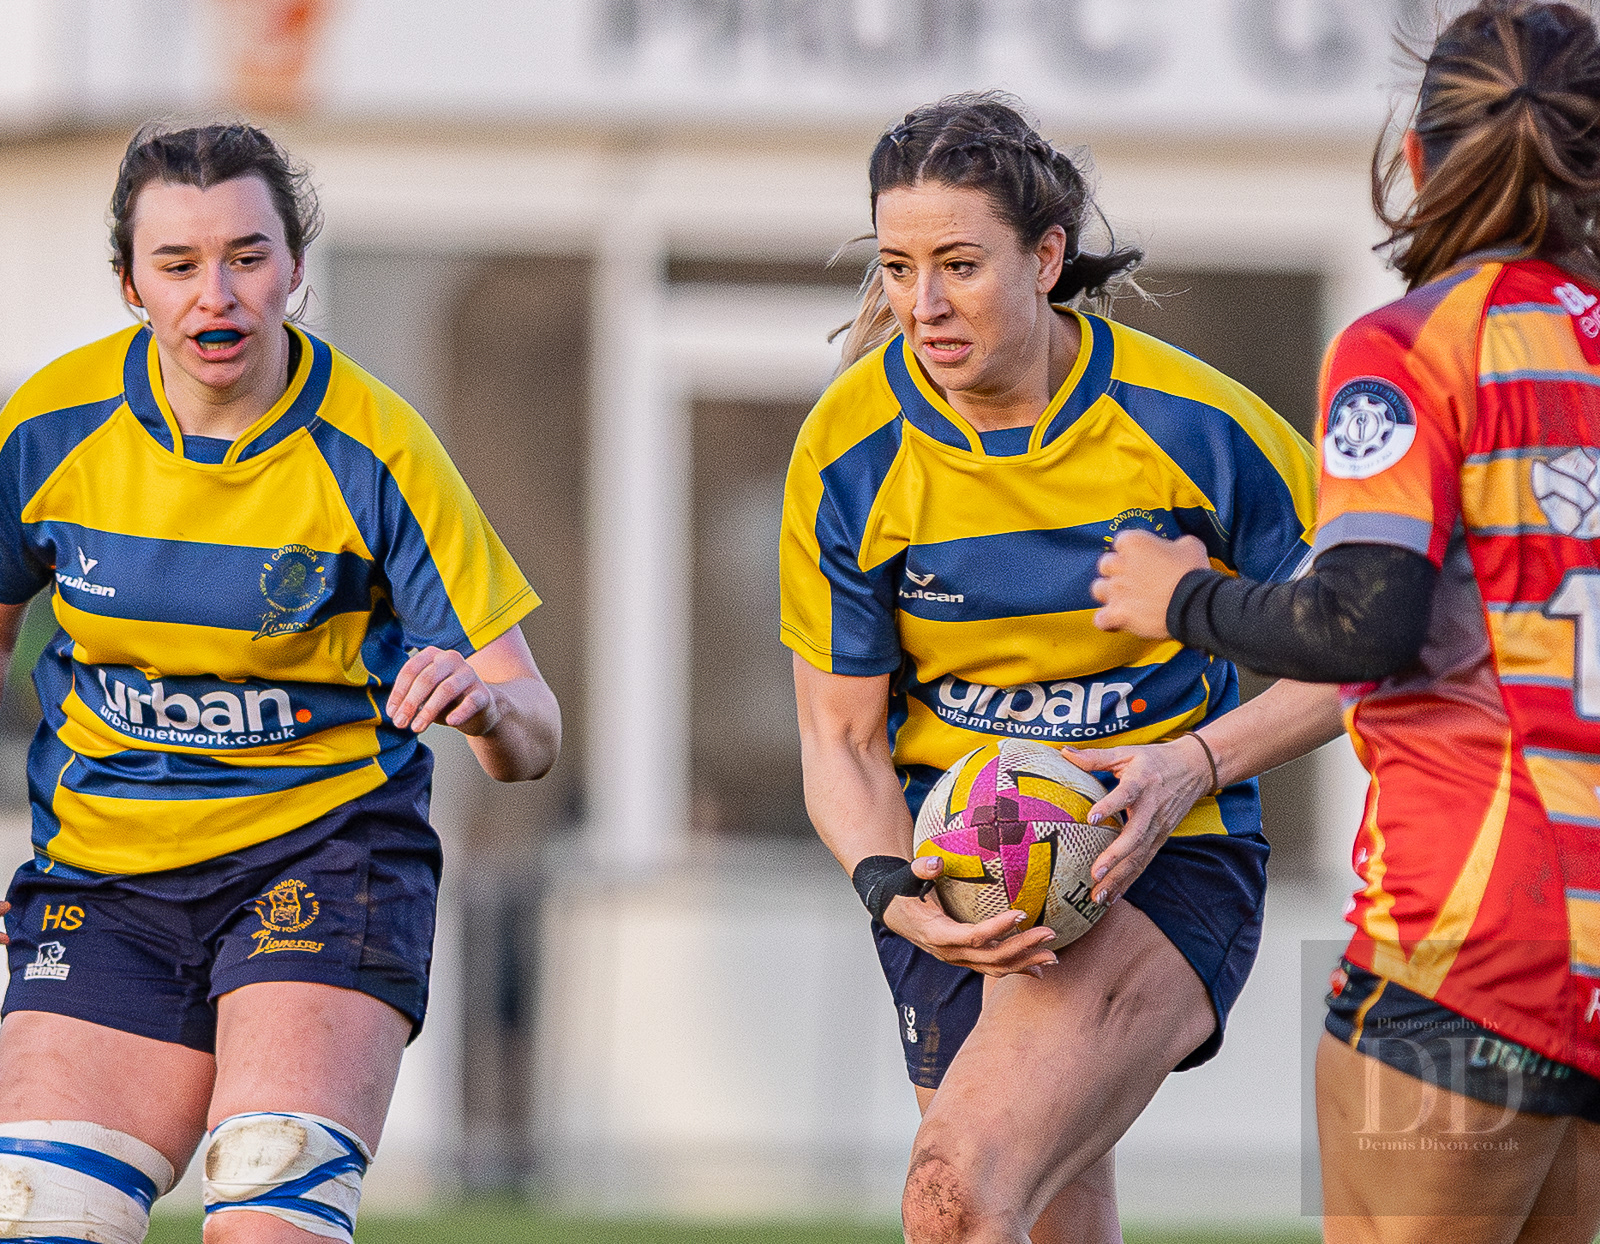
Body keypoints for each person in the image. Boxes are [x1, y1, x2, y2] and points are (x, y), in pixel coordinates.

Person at [779, 93, 1340, 1244]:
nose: (923, 305)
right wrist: (892, 890)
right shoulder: (847, 451)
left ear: (1044, 257)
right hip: (956, 875)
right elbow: (840, 739)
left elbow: (1368, 647)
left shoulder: (1196, 427)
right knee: (1038, 1215)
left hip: (1165, 851)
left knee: (957, 1193)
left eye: (958, 265)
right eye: (897, 267)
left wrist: (1192, 764)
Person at [1090, 3, 1600, 1239]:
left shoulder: (1410, 347)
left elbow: (1366, 620)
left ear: (1415, 157)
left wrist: (1180, 596)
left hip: (1469, 936)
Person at [0, 123, 560, 1244]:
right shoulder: (48, 428)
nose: (216, 295)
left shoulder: (379, 450)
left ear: (295, 267)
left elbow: (535, 730)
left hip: (324, 858)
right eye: (178, 264)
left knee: (267, 1205)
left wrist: (484, 704)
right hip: (105, 877)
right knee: (40, 1214)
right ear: (130, 284)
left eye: (247, 257)